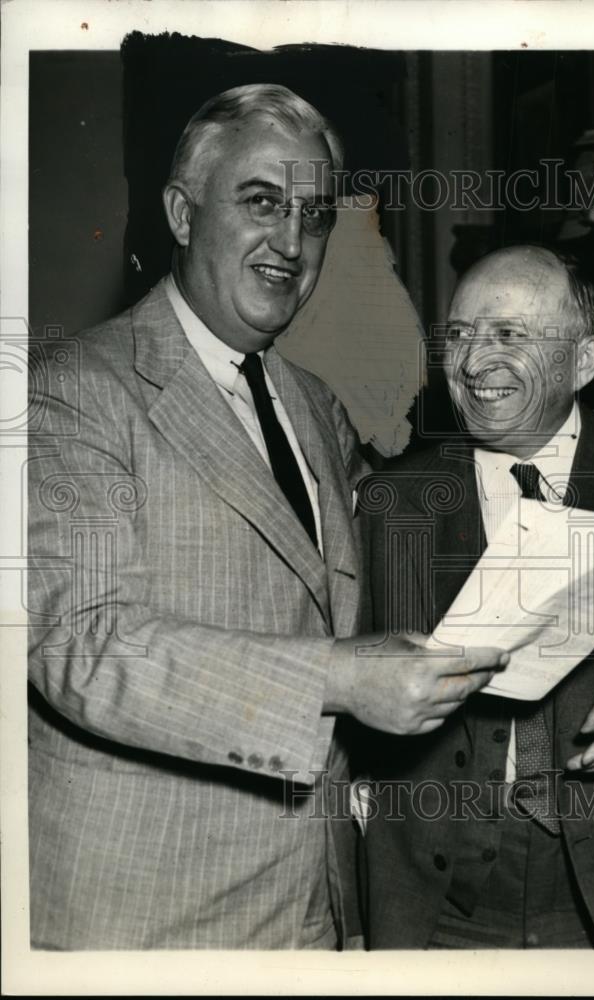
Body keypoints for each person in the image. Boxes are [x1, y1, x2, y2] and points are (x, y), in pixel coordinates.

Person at [26, 84, 506, 950]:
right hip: (147, 922)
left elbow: (386, 561)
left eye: (315, 215)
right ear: (181, 212)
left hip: (309, 907)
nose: (292, 242)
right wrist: (339, 679)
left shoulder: (312, 403)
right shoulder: (72, 395)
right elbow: (80, 644)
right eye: (262, 203)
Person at [357, 244, 594, 948]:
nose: (473, 364)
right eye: (461, 335)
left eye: (508, 335)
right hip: (435, 904)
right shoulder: (390, 501)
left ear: (585, 361)